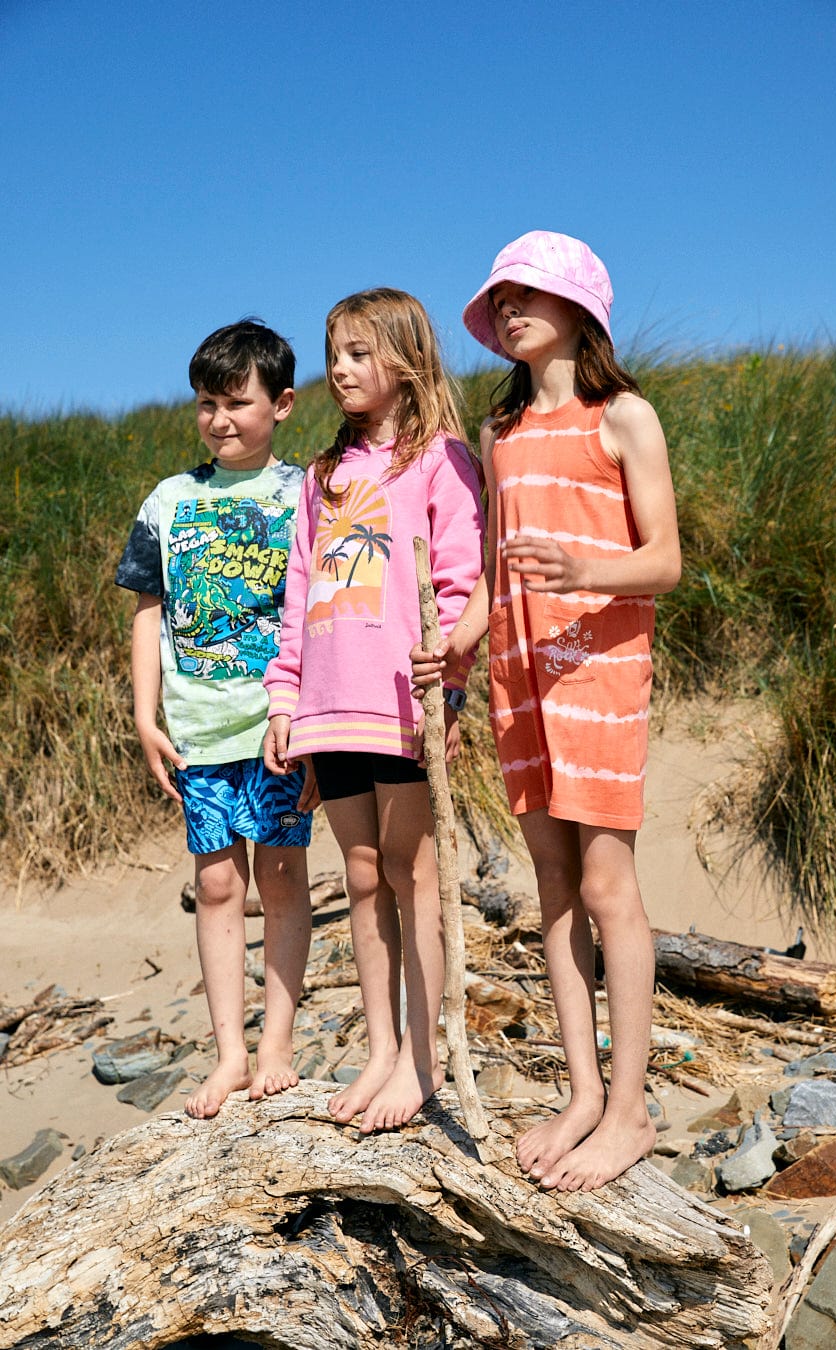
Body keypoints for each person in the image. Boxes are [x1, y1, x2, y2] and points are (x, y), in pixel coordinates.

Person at [411, 231, 681, 1190]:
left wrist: (586, 569)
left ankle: (632, 1108)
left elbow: (666, 561)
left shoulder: (625, 418)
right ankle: (581, 1094)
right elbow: (489, 575)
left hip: (600, 676)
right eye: (503, 297)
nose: (512, 308)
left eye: (530, 293)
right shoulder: (502, 433)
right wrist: (458, 644)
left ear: (577, 310)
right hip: (518, 681)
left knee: (610, 887)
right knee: (554, 888)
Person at [263, 288, 484, 1135]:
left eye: (360, 353)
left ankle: (423, 1061)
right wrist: (285, 700)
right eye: (335, 354)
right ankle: (382, 1049)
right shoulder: (322, 476)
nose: (341, 370)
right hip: (330, 703)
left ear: (406, 360)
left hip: (402, 702)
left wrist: (452, 682)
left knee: (412, 872)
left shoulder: (440, 459)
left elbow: (461, 583)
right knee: (361, 876)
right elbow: (297, 599)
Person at [116, 319, 313, 1120]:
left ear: (283, 404)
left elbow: (323, 610)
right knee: (219, 883)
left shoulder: (306, 494)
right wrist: (144, 711)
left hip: (278, 728)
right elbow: (146, 610)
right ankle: (230, 1050)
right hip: (197, 729)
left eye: (237, 402)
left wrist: (315, 720)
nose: (220, 419)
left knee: (282, 875)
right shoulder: (169, 501)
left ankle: (277, 1046)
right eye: (207, 403)